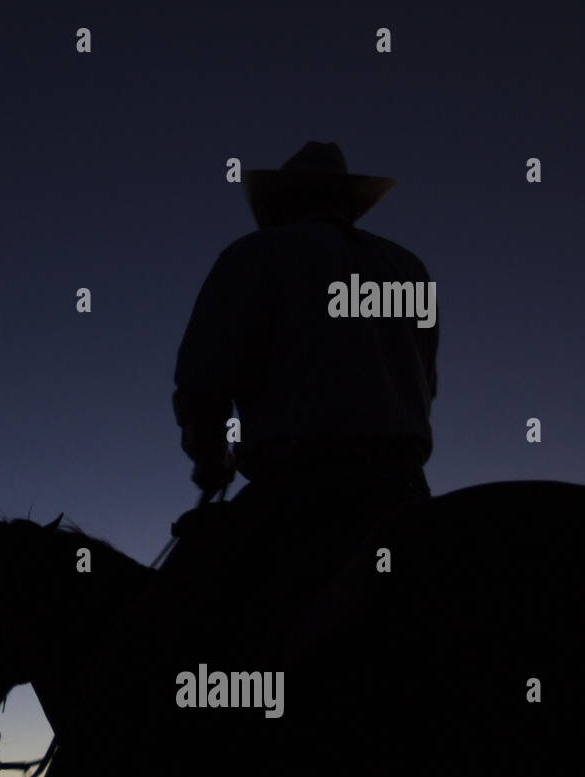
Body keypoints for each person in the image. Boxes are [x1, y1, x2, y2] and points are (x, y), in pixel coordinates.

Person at [160, 141, 438, 638]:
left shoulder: (255, 255)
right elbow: (425, 386)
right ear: (349, 204)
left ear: (281, 202)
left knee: (171, 627)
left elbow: (202, 383)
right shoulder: (410, 269)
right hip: (406, 493)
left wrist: (209, 460)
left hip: (299, 499)